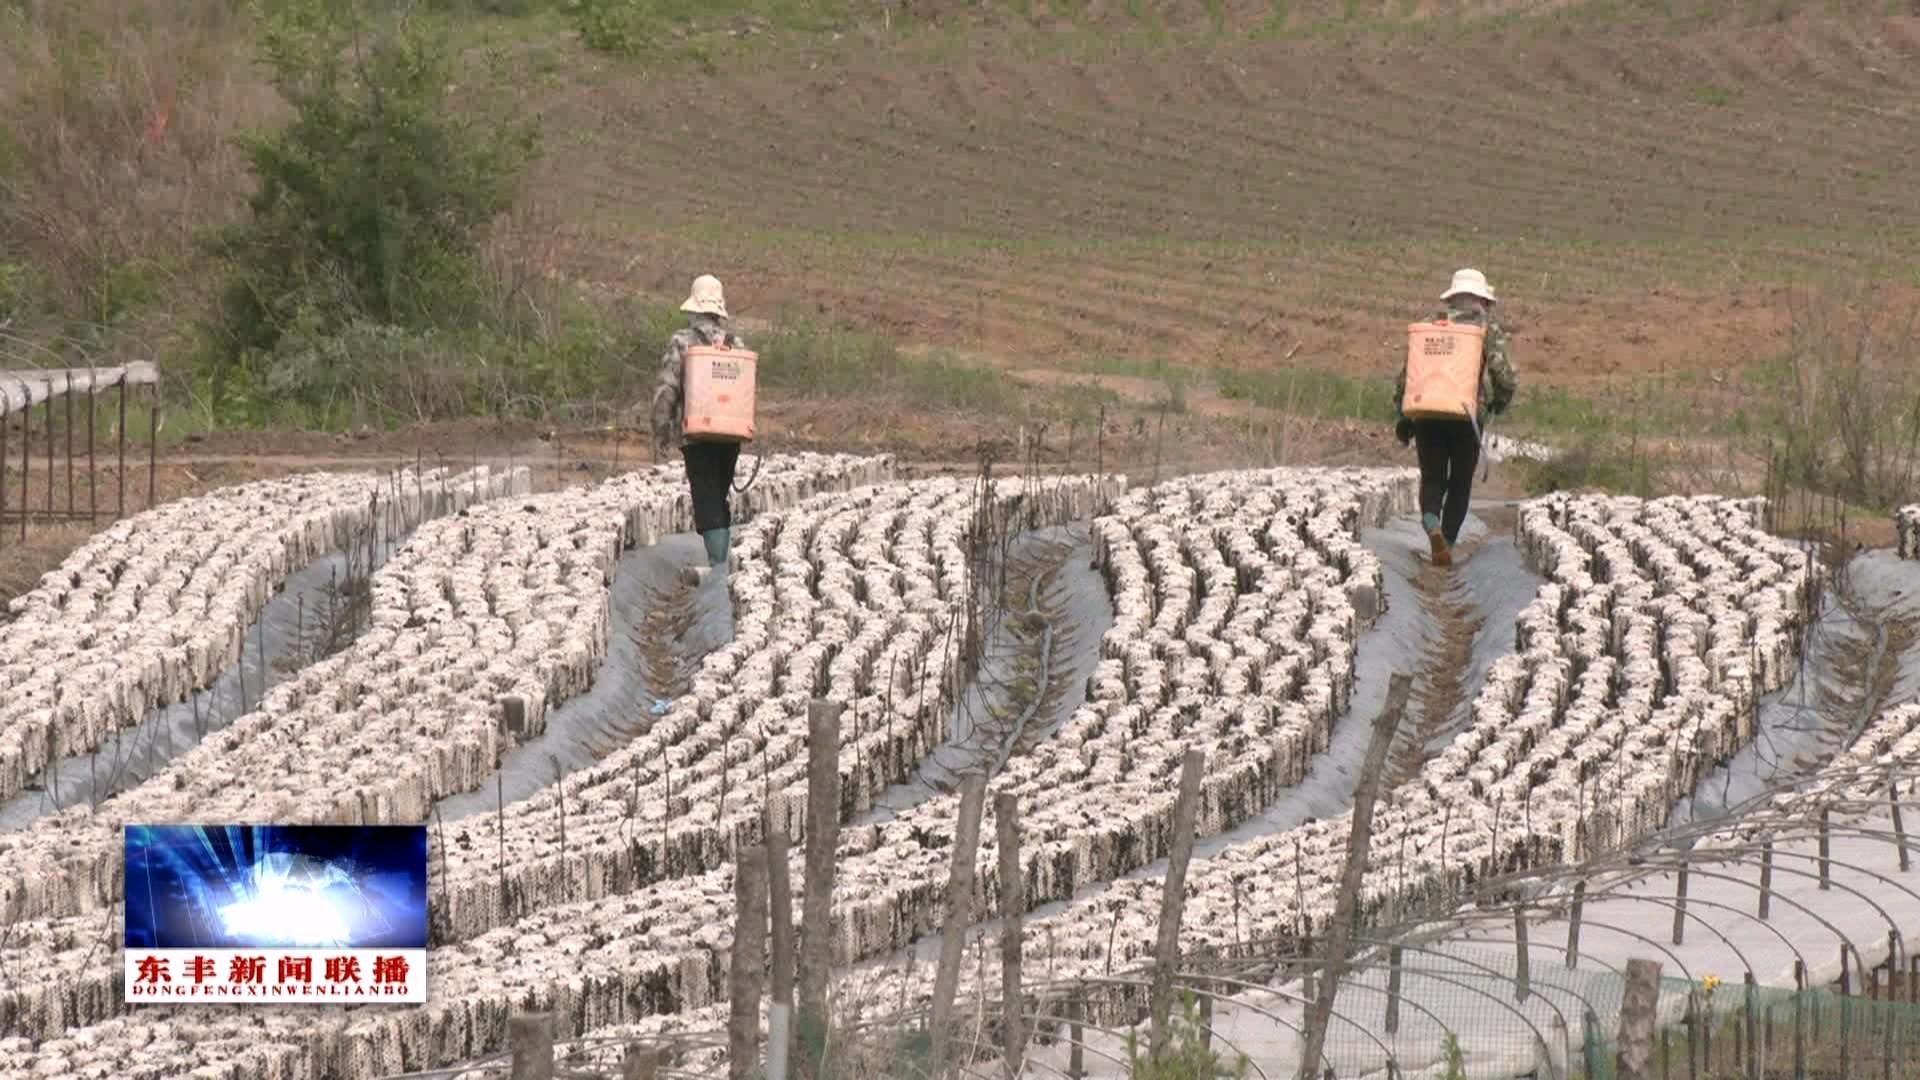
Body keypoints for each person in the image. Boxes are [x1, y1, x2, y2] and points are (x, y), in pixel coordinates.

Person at [1393, 268, 1518, 567]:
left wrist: (1404, 415)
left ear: (1452, 298)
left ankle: (1431, 522)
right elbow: (1505, 376)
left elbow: (1406, 376)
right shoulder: (1487, 329)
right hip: (1466, 416)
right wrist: (1497, 404)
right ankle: (1446, 542)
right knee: (1460, 482)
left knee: (1433, 478)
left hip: (1427, 413)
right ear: (1482, 301)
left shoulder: (1429, 325)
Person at [652, 274, 748, 567]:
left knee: (706, 499)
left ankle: (719, 567)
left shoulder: (682, 342)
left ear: (695, 309)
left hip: (697, 435)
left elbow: (667, 389)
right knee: (719, 496)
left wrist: (661, 429)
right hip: (730, 434)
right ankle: (721, 562)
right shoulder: (736, 344)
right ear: (718, 311)